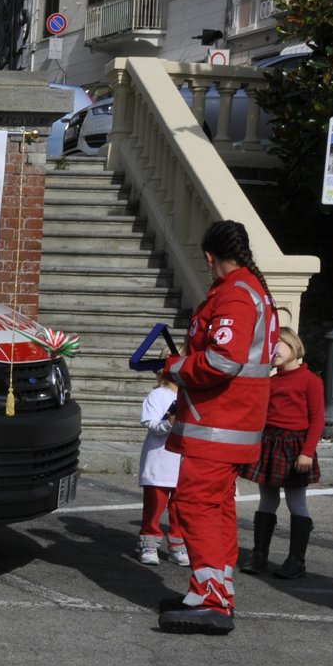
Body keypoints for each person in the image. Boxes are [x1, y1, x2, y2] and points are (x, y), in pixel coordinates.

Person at [159, 220, 278, 636]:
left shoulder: (235, 296)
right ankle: (213, 591)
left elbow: (222, 361)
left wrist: (175, 367)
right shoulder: (249, 291)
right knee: (218, 508)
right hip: (231, 425)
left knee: (195, 505)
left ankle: (211, 599)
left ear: (209, 257)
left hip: (219, 425)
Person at [238, 326, 325, 580]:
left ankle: (296, 560)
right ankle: (259, 555)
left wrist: (307, 453)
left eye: (279, 344)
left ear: (293, 346)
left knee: (296, 501)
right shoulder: (270, 380)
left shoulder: (310, 380)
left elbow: (317, 419)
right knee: (267, 499)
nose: (273, 350)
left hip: (295, 447)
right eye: (270, 346)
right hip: (269, 444)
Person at [136, 364, 187, 567]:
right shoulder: (158, 395)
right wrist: (169, 423)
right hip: (160, 460)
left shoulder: (191, 396)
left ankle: (177, 545)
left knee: (180, 508)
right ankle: (149, 543)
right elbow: (150, 422)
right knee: (154, 506)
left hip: (183, 460)